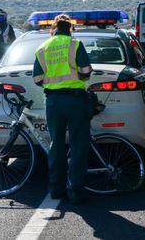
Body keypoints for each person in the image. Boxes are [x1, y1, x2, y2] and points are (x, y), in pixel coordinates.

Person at [33, 14, 93, 204]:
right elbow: (85, 71)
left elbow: (37, 79)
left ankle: (56, 188)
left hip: (53, 102)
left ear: (54, 28)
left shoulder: (42, 48)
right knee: (78, 144)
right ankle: (76, 190)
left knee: (56, 144)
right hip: (75, 100)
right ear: (70, 28)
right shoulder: (75, 44)